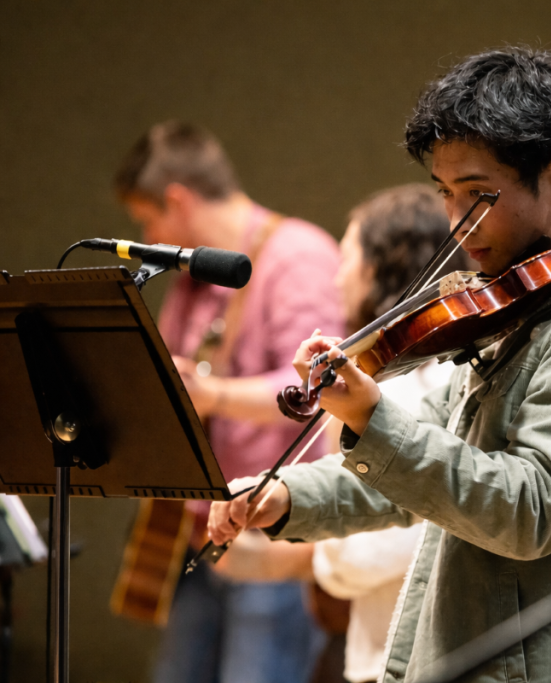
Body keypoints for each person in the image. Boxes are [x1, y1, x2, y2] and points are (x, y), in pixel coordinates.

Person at [210, 47, 551, 683]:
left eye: (477, 194)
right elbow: (425, 458)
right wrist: (287, 496)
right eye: (446, 194)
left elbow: (532, 509)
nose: (457, 223)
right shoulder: (529, 304)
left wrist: (372, 415)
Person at [113, 121, 341, 683]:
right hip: (196, 530)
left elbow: (319, 387)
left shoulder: (296, 255)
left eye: (146, 219)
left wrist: (212, 394)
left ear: (177, 200)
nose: (146, 233)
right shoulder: (191, 273)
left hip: (271, 531)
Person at [213, 184, 464, 683]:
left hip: (416, 654)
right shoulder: (387, 377)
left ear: (379, 268)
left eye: (346, 257)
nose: (335, 276)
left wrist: (294, 559)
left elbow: (403, 537)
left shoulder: (411, 387)